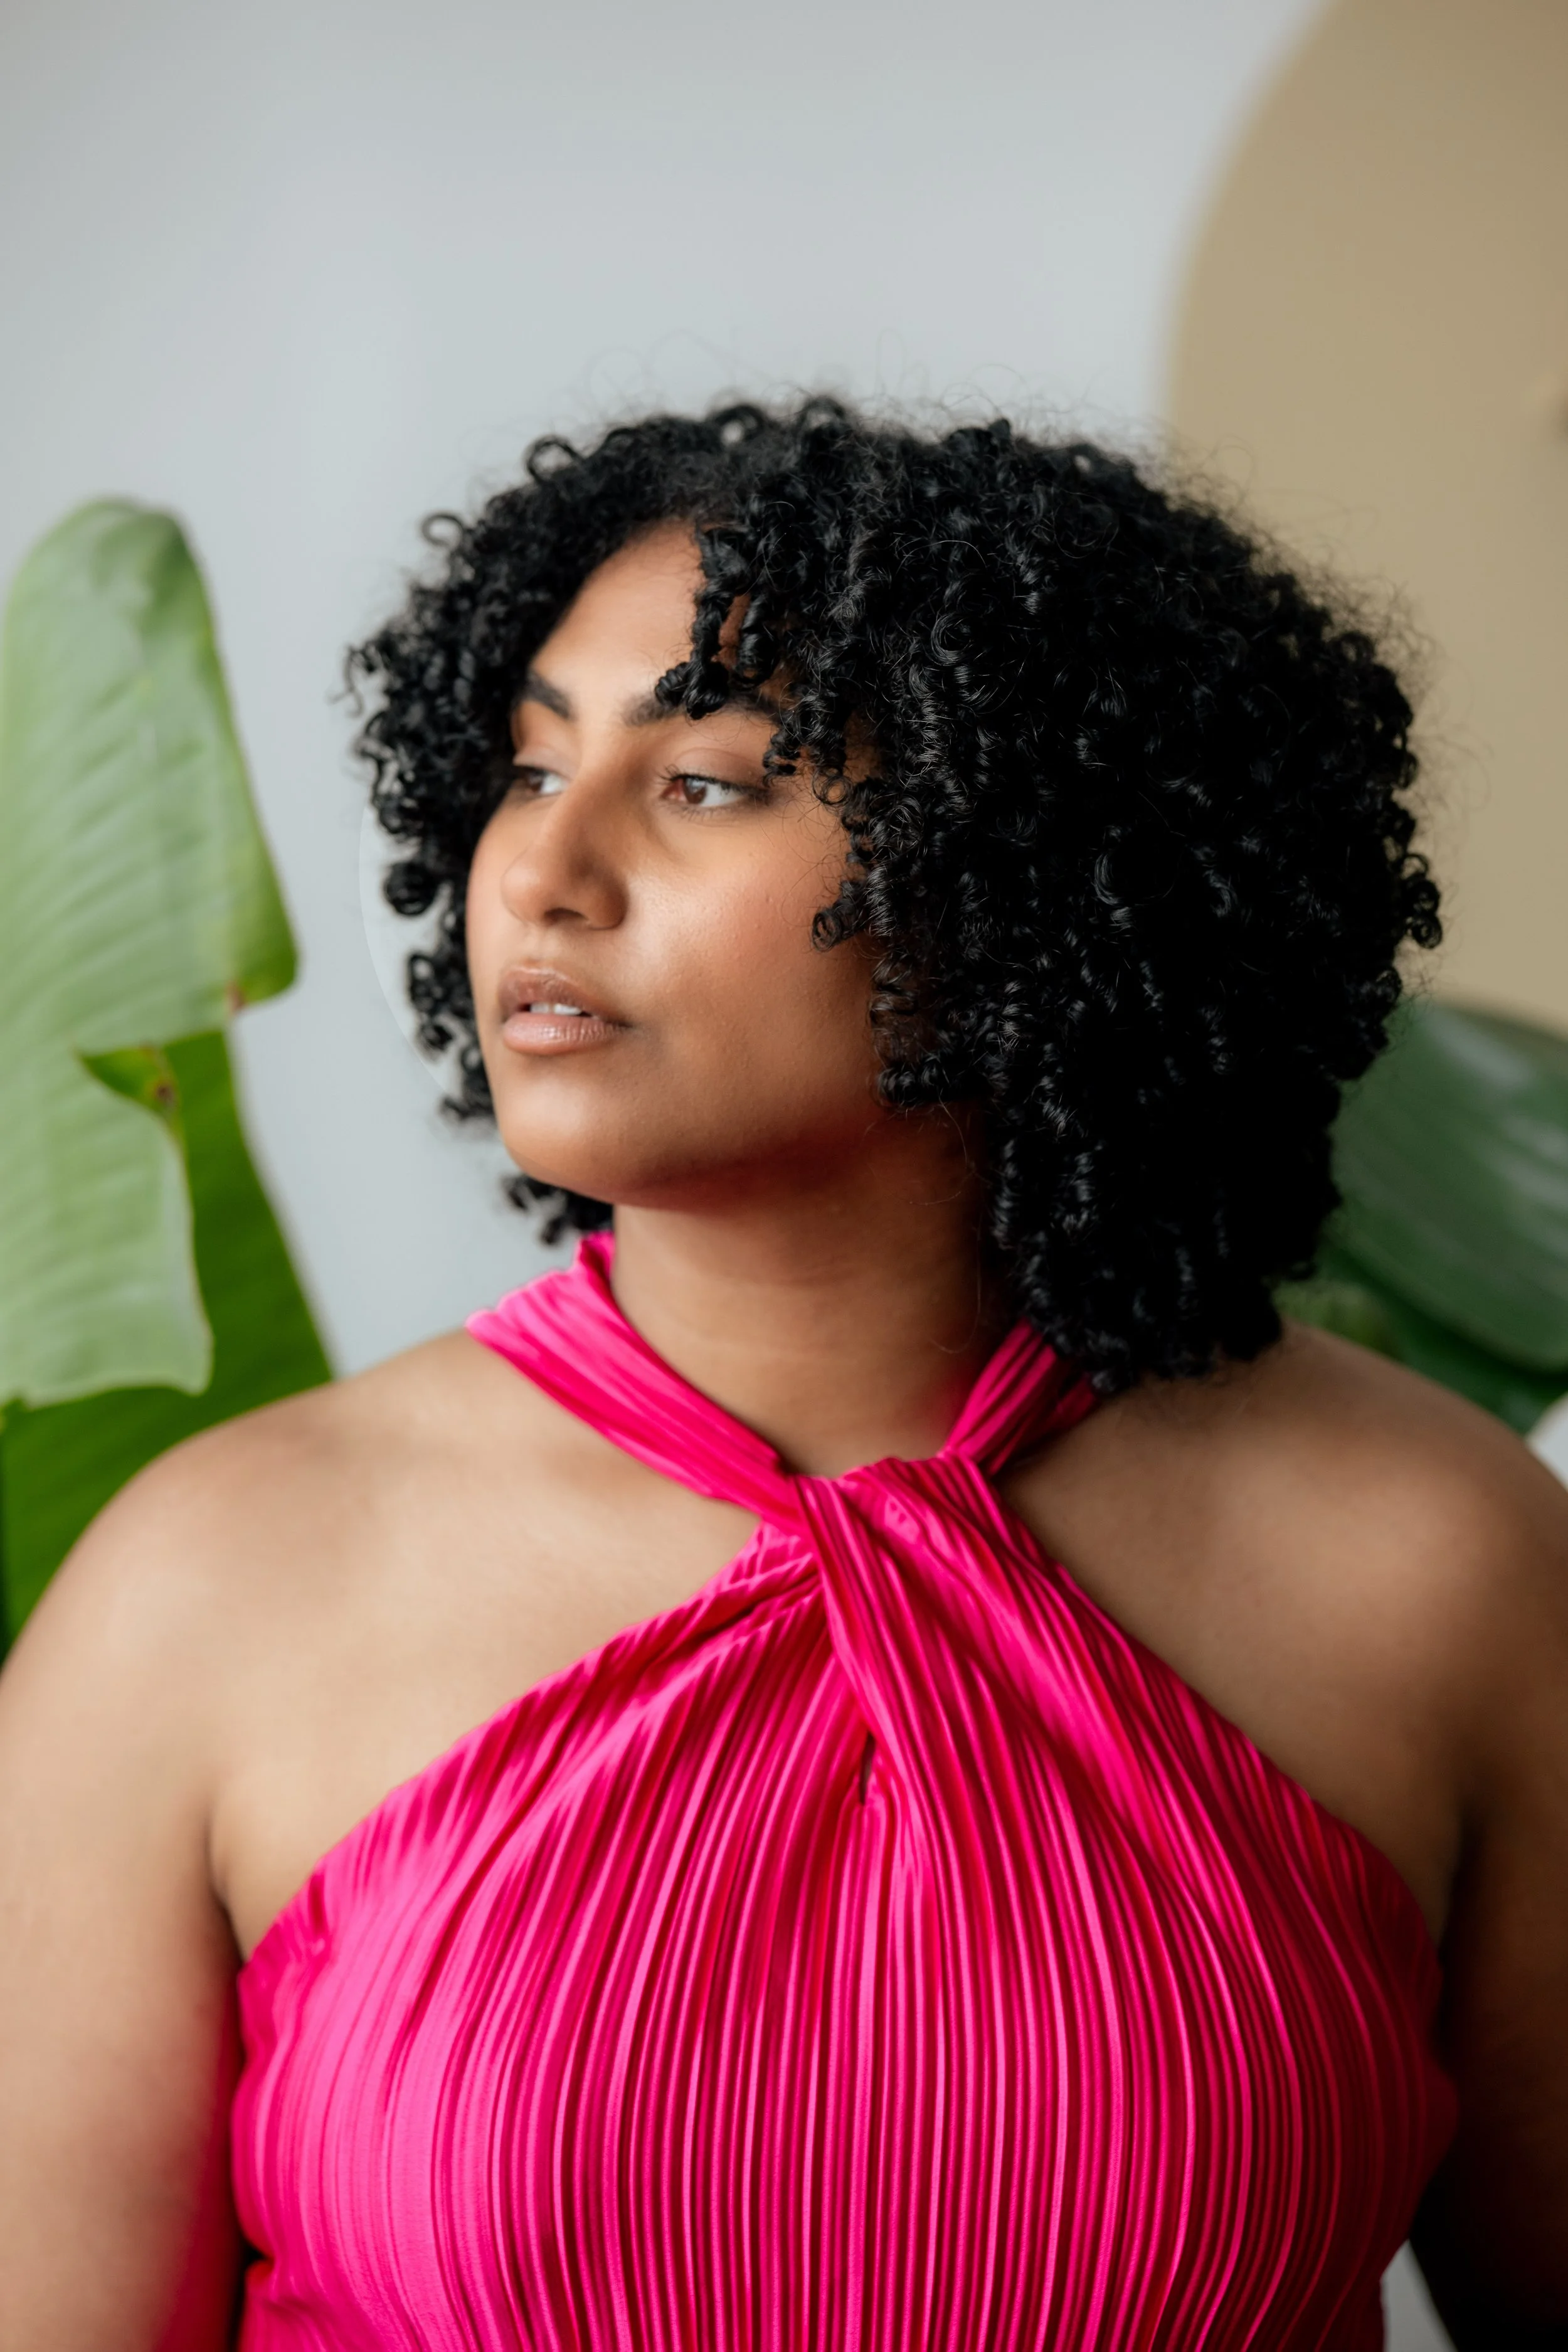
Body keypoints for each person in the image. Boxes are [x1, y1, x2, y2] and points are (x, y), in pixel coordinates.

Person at [0, 398, 1564, 2351]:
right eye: (524, 767)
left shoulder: (1435, 1559)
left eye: (709, 782)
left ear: (1026, 877)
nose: (544, 873)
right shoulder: (206, 1588)